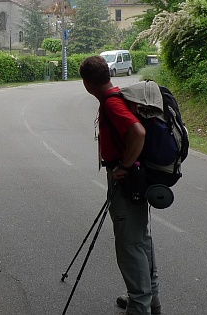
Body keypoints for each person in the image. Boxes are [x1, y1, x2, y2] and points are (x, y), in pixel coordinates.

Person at [79, 55, 161, 315]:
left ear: (87, 83)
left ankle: (139, 307)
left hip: (126, 179)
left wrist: (124, 166)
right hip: (135, 177)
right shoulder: (115, 97)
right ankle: (150, 301)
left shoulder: (112, 104)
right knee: (140, 240)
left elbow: (138, 132)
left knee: (130, 244)